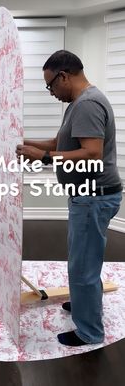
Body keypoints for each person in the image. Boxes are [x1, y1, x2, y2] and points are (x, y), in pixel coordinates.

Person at [16, 50, 123, 347]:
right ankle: (85, 303)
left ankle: (89, 332)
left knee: (82, 266)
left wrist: (45, 157)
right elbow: (59, 142)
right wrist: (26, 143)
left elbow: (91, 153)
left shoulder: (87, 104)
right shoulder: (79, 102)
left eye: (51, 85)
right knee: (87, 259)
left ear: (64, 76)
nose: (51, 92)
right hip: (91, 196)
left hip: (93, 197)